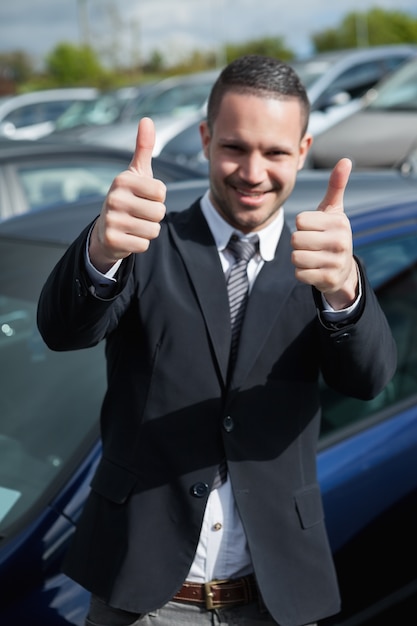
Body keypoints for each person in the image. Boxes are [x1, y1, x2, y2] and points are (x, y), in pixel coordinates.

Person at [37, 55, 397, 626]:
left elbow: (369, 378)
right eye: (235, 147)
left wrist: (346, 289)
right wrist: (101, 252)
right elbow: (62, 331)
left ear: (303, 152)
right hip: (142, 599)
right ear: (206, 139)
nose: (253, 172)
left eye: (275, 152)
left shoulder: (321, 263)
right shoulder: (148, 241)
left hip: (273, 598)